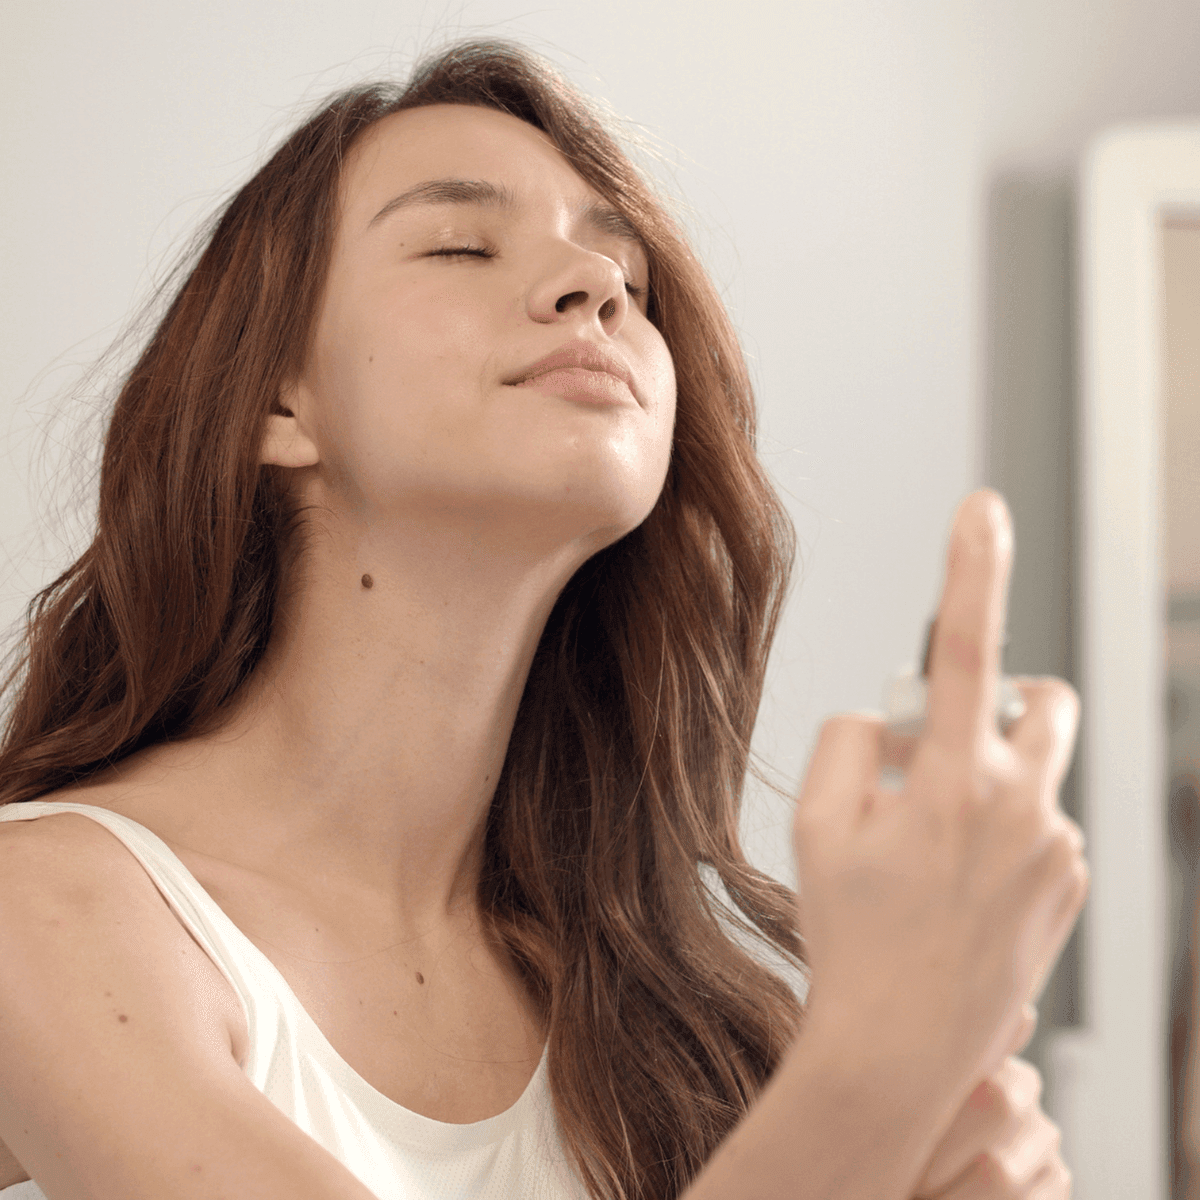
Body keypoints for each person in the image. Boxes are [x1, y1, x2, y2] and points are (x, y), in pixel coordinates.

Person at [0, 36, 1086, 1200]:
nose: (596, 287)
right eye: (460, 244)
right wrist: (873, 1077)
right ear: (278, 400)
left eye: (628, 277)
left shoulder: (696, 1036)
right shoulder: (47, 911)